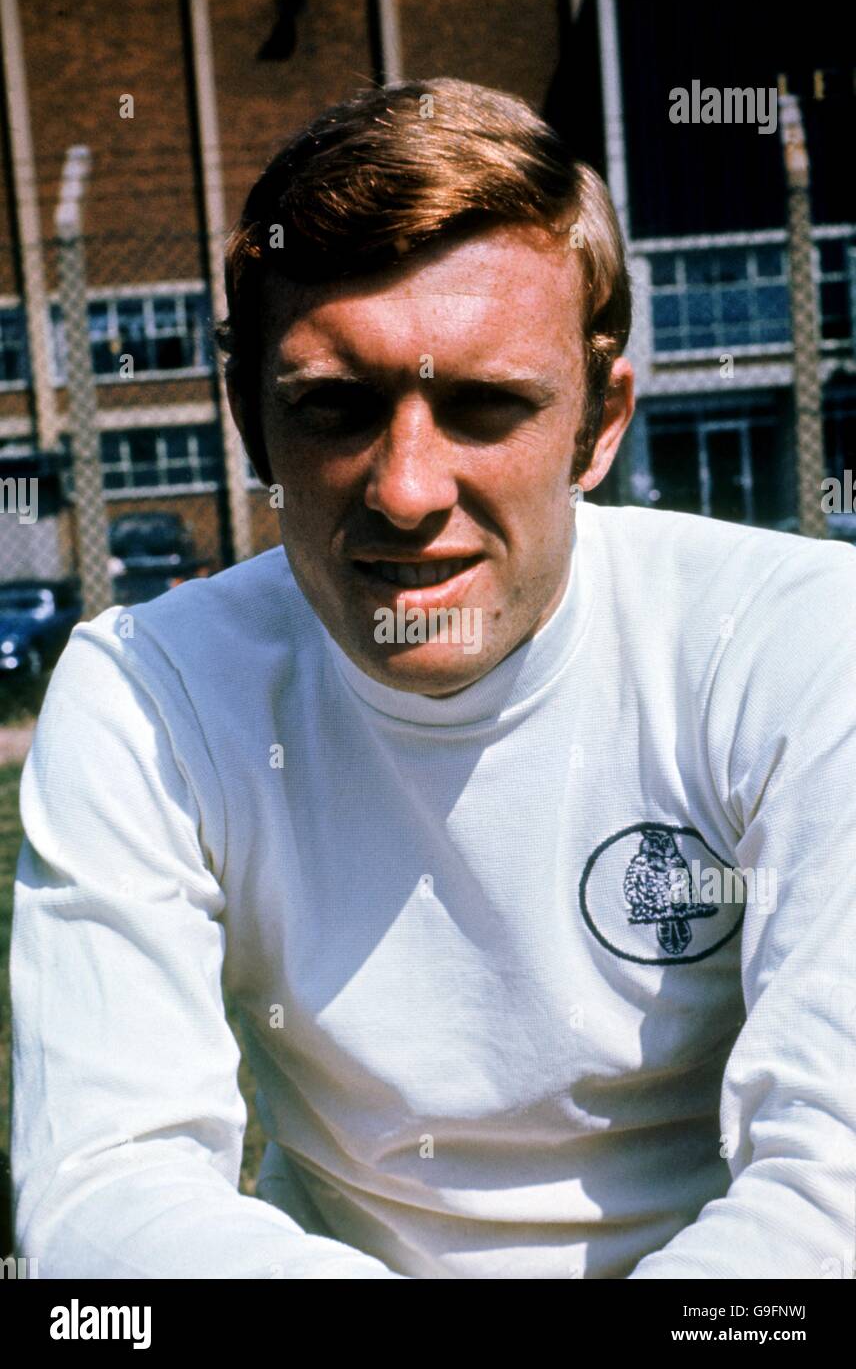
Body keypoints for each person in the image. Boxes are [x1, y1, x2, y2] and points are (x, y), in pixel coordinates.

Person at [10, 77, 856, 1280]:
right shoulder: (150, 694)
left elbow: (832, 1192)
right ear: (254, 426)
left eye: (484, 406)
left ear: (598, 423)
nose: (405, 489)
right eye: (335, 409)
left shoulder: (799, 645)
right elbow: (104, 1197)